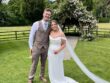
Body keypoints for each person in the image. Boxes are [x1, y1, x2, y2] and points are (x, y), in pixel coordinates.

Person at [28, 8, 52, 83]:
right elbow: (31, 36)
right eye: (46, 14)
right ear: (43, 14)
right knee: (34, 63)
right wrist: (31, 47)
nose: (47, 15)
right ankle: (30, 78)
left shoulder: (50, 25)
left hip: (45, 48)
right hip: (36, 47)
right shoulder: (36, 24)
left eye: (49, 15)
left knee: (43, 63)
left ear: (50, 16)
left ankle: (41, 76)